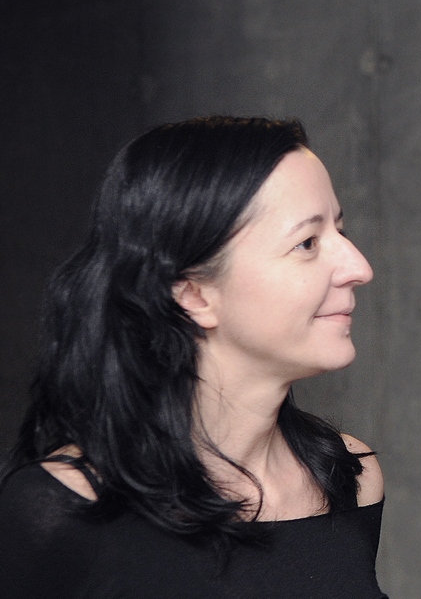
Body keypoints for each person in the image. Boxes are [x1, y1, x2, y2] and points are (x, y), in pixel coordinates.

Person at [0, 116, 387, 598]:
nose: (359, 267)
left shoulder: (350, 478)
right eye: (307, 243)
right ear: (193, 293)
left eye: (341, 231)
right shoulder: (59, 510)